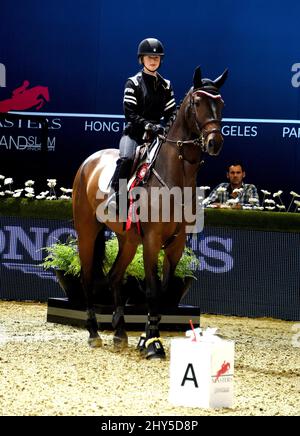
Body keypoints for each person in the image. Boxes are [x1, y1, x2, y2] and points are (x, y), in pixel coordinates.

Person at [110, 37, 177, 195]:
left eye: (156, 57)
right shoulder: (133, 83)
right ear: (141, 59)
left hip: (157, 136)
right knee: (126, 158)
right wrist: (149, 125)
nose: (153, 60)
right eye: (149, 57)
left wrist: (168, 128)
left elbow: (171, 113)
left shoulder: (166, 85)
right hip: (134, 133)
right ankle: (114, 195)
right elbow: (130, 114)